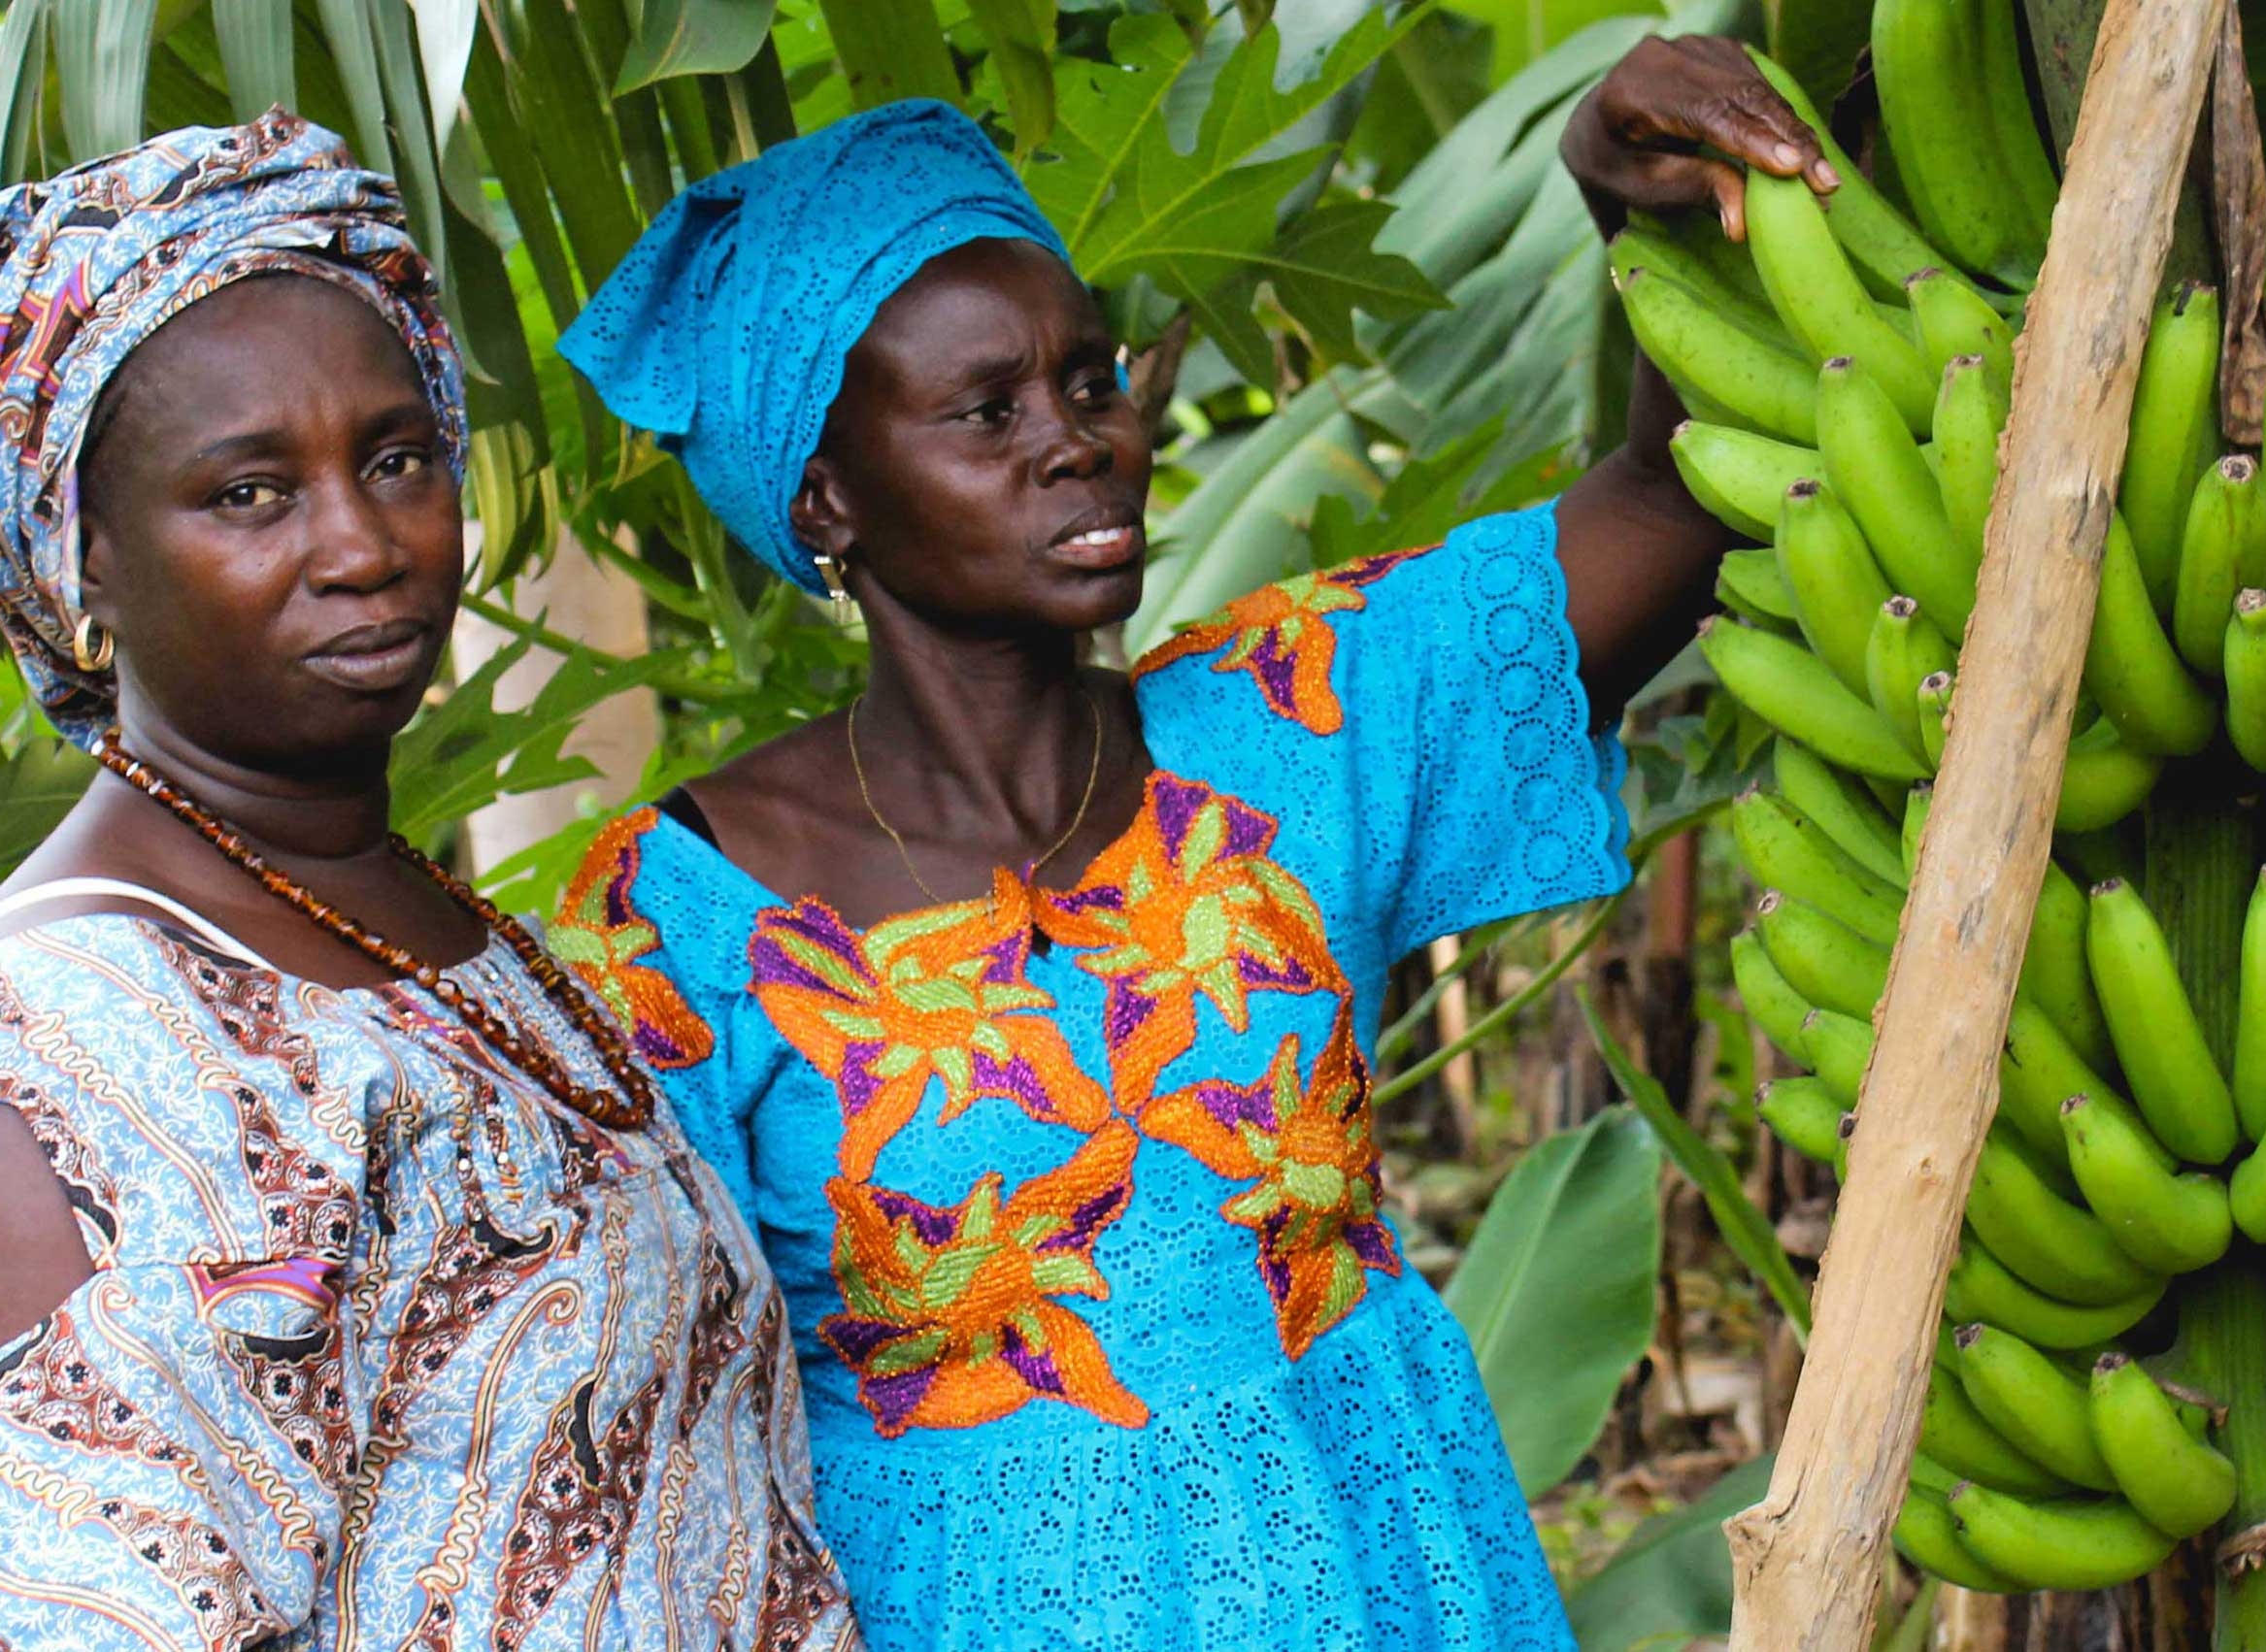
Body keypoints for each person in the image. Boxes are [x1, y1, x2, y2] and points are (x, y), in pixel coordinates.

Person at [551, 33, 1826, 1650]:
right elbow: (641, 1432)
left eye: (1089, 380)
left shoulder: (1296, 718)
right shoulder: (672, 923)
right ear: (826, 504)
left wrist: (1628, 205)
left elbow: (1668, 495)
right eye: (984, 410)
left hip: (1389, 1573)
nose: (1078, 438)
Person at [0, 113, 858, 1649]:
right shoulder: (66, 1072)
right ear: (83, 555)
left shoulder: (424, 931)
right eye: (249, 493)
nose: (362, 543)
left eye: (398, 457)